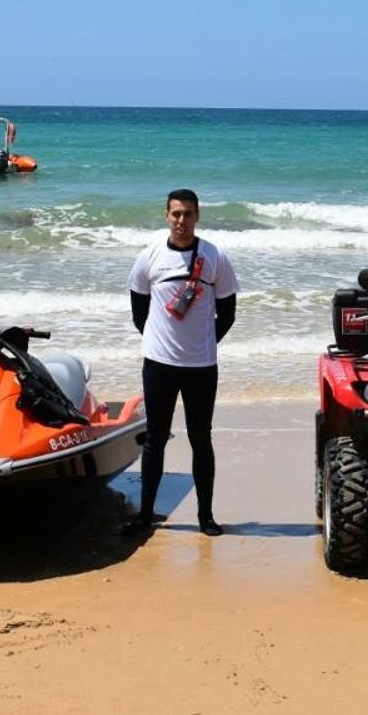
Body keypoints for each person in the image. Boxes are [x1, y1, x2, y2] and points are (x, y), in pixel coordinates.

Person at [124, 188, 239, 536]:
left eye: (188, 214)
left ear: (197, 216)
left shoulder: (214, 257)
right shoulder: (149, 256)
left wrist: (202, 343)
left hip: (201, 367)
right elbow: (139, 311)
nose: (181, 221)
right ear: (166, 216)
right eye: (176, 214)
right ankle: (146, 515)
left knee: (200, 438)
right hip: (159, 365)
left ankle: (206, 517)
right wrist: (162, 344)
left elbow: (228, 313)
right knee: (156, 439)